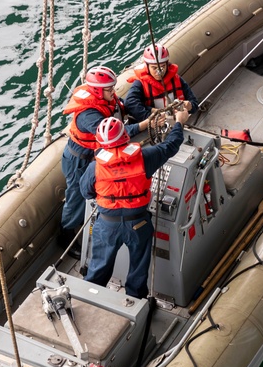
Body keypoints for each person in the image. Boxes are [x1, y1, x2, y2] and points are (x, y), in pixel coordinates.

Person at [79, 109, 189, 298]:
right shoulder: (145, 157)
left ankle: (90, 300)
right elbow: (171, 145)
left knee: (98, 270)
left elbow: (86, 192)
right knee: (138, 270)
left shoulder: (94, 167)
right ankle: (134, 303)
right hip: (138, 223)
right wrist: (179, 122)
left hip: (106, 225)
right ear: (124, 136)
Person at [59, 66, 149, 256]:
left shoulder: (107, 99)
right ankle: (67, 236)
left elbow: (121, 108)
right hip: (79, 161)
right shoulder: (88, 115)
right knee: (76, 198)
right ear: (98, 91)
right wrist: (142, 126)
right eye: (109, 89)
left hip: (93, 156)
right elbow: (111, 134)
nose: (113, 92)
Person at [123, 42, 200, 123]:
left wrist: (189, 106)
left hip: (177, 123)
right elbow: (129, 103)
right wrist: (150, 118)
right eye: (154, 68)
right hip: (155, 127)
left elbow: (194, 104)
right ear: (147, 66)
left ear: (167, 64)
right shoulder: (140, 83)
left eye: (162, 66)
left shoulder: (177, 79)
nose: (159, 72)